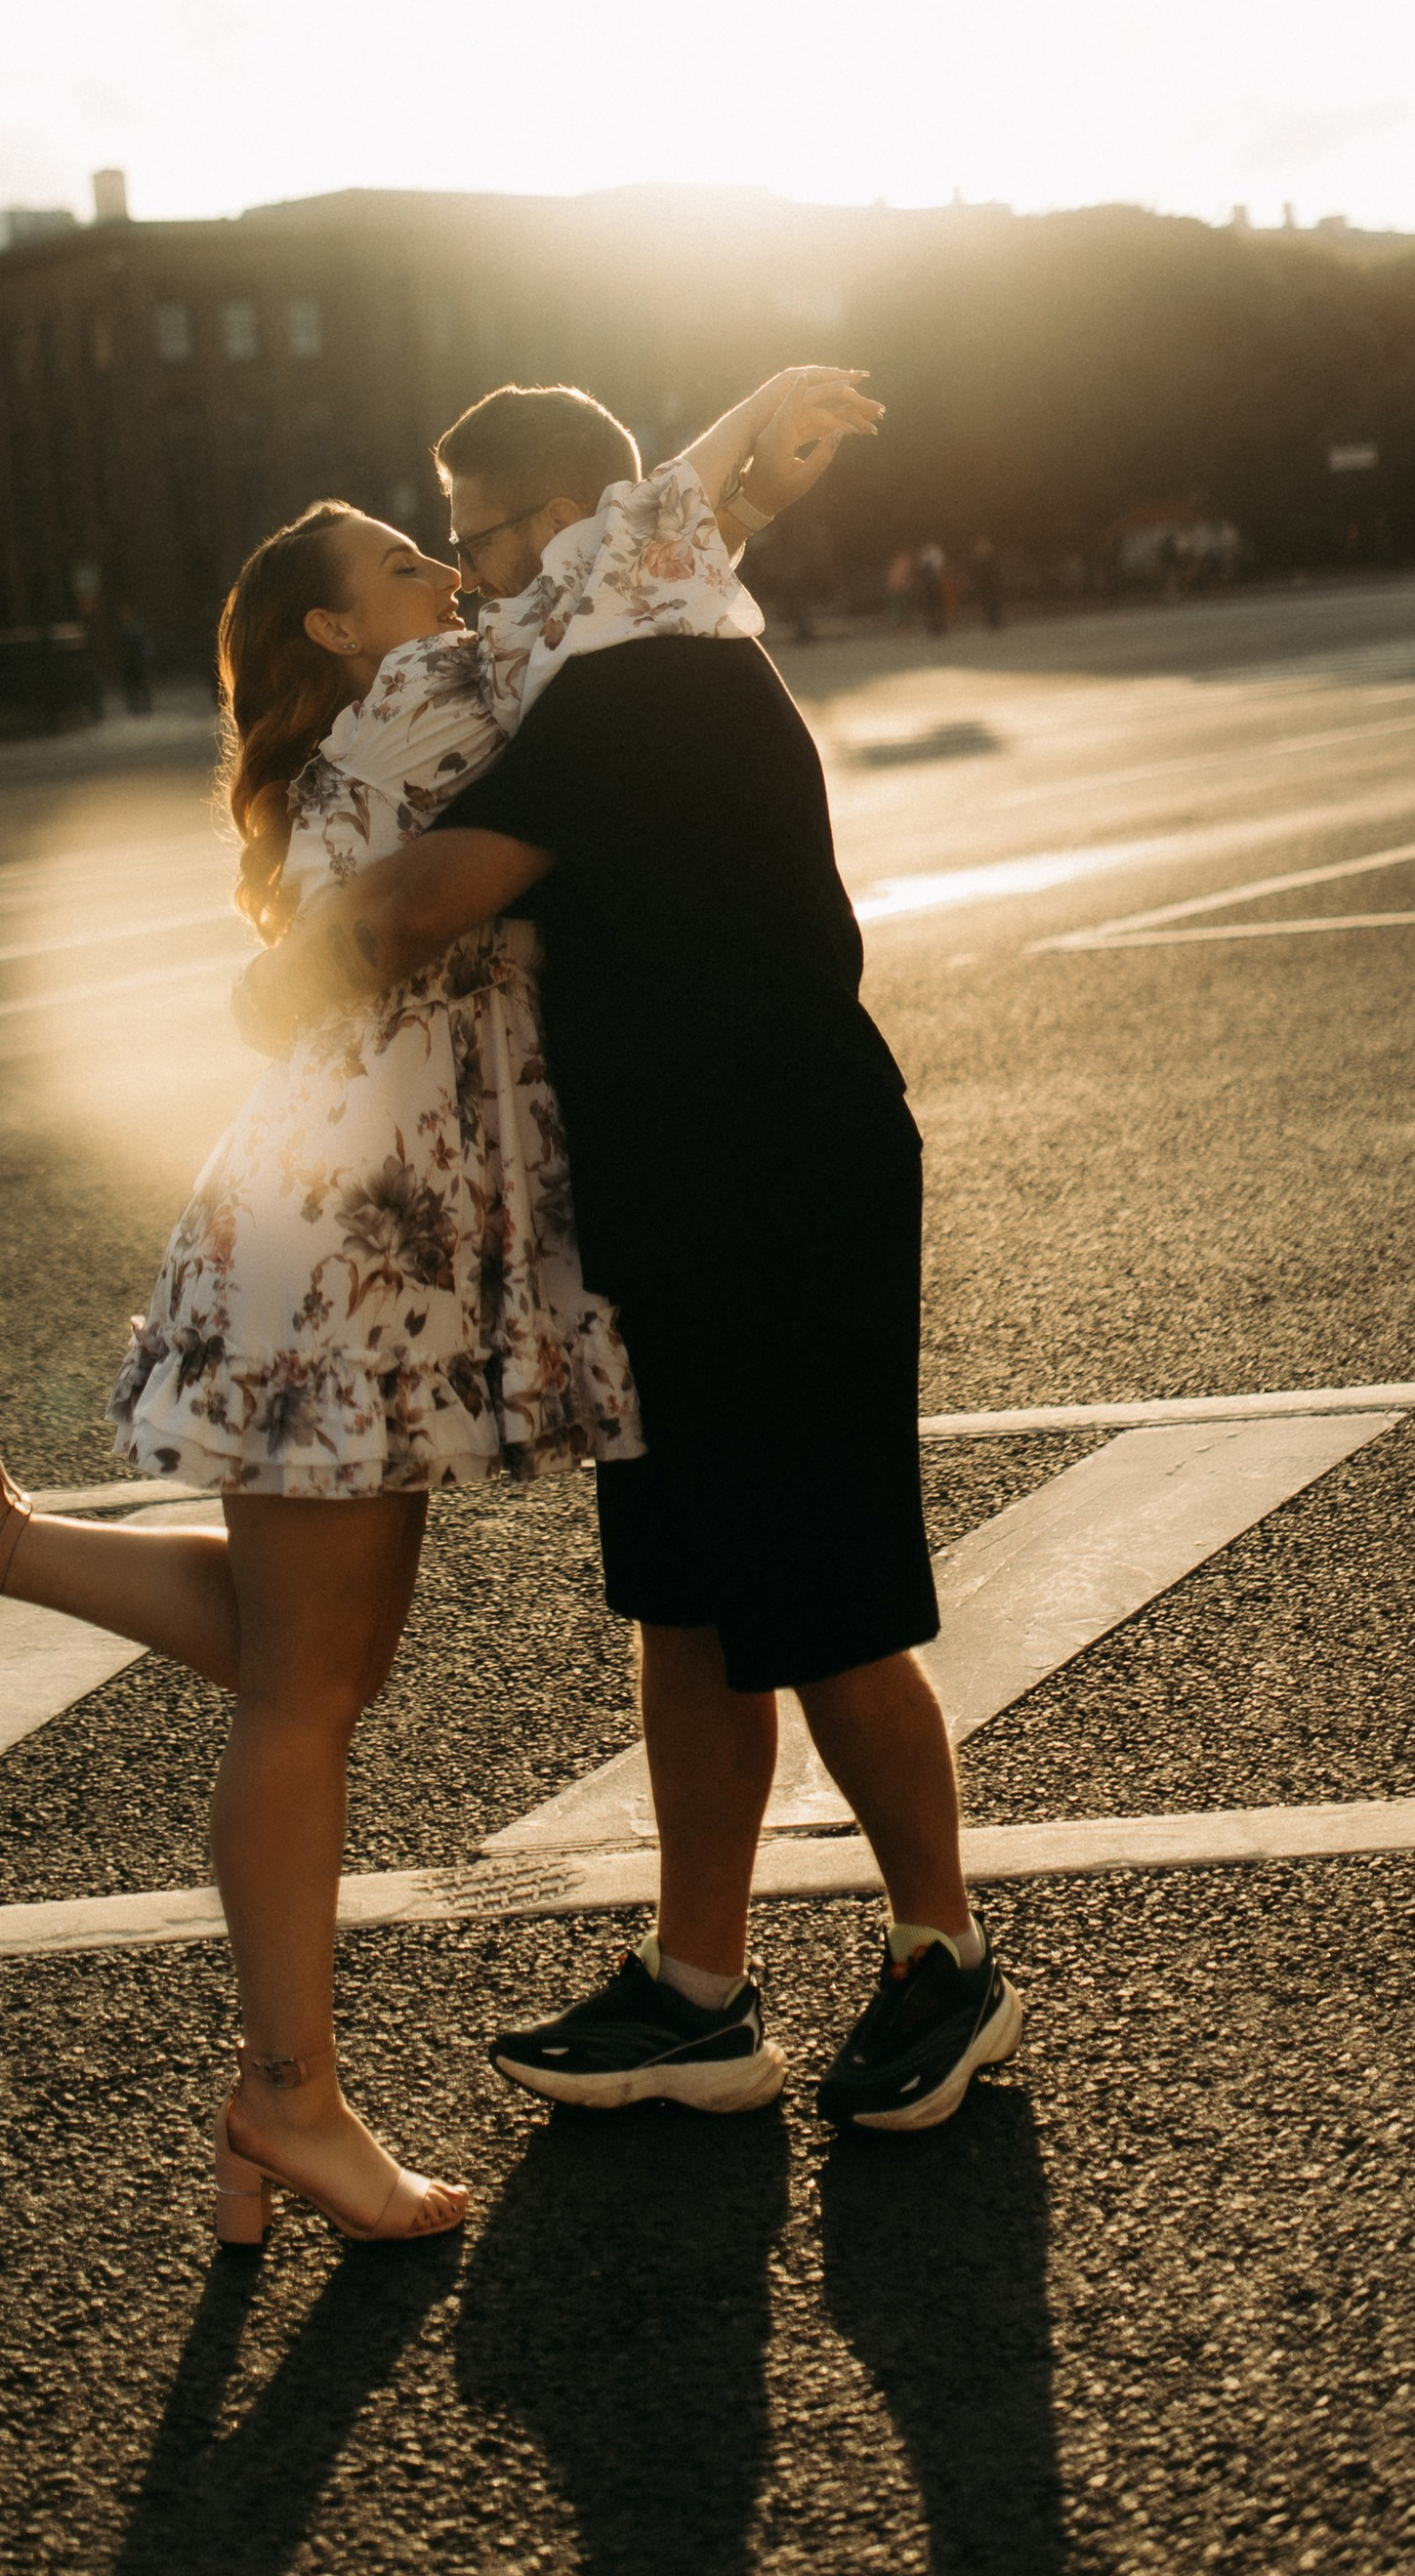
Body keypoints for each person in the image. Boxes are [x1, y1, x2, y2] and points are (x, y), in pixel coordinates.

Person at [0, 360, 866, 2239]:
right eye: (403, 559)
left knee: (311, 1660)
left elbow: (587, 583)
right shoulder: (425, 710)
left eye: (446, 547)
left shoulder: (371, 737)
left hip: (357, 1232)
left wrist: (741, 483)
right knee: (305, 1697)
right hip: (353, 1242)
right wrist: (736, 453)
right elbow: (597, 576)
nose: (448, 577)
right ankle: (290, 2098)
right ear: (333, 629)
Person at [238, 382, 1022, 2139]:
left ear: (553, 526)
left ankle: (945, 1960)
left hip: (781, 1172)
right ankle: (697, 1991)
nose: (469, 575)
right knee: (687, 1602)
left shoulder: (638, 681)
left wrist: (278, 974)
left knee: (818, 1594)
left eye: (479, 537)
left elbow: (423, 898)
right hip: (679, 1181)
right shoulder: (615, 648)